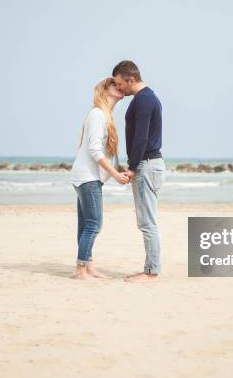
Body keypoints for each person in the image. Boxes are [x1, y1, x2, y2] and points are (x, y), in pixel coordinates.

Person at [70, 77, 130, 280]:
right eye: (115, 84)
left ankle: (88, 266)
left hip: (85, 176)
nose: (120, 87)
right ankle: (80, 270)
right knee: (94, 225)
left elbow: (106, 153)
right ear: (105, 90)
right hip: (88, 177)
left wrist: (121, 169)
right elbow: (95, 150)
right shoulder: (97, 115)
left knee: (86, 225)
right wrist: (114, 174)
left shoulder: (104, 116)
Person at [112, 60, 166, 283]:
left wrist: (133, 167)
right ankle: (151, 269)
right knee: (147, 220)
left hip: (146, 164)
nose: (119, 88)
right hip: (148, 163)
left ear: (130, 79)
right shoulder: (145, 98)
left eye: (119, 83)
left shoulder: (144, 100)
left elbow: (141, 137)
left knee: (147, 222)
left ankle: (151, 272)